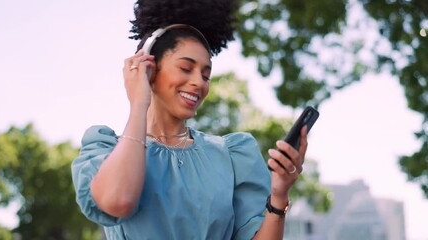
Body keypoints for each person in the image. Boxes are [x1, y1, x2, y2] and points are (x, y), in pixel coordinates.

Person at [71, 0, 308, 239]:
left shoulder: (232, 154)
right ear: (149, 70)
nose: (199, 82)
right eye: (186, 68)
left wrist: (278, 195)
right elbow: (118, 201)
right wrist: (138, 104)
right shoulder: (106, 149)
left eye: (206, 75)